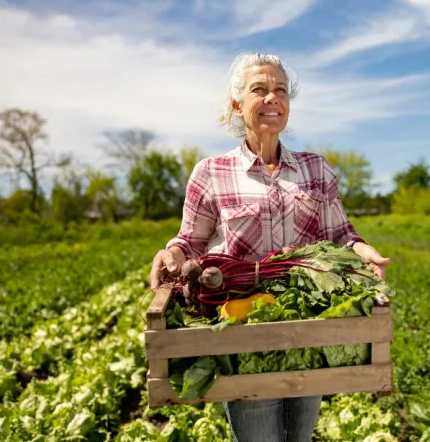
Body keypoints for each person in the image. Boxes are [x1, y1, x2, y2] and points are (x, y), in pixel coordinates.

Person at [148, 53, 390, 442]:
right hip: (241, 332)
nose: (272, 98)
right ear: (237, 105)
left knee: (300, 436)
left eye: (280, 90)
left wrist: (365, 253)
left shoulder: (316, 169)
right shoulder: (211, 172)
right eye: (259, 90)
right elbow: (189, 243)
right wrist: (170, 256)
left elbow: (342, 235)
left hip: (305, 327)